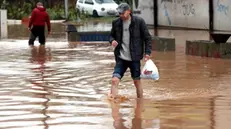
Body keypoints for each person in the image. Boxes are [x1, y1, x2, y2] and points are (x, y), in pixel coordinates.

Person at [109, 3, 152, 99]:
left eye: (123, 13)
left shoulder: (139, 22)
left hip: (135, 58)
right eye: (119, 13)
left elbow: (147, 38)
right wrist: (112, 41)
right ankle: (114, 107)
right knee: (114, 80)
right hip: (121, 57)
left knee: (137, 81)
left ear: (129, 11)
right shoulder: (116, 23)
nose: (121, 15)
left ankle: (140, 103)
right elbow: (111, 35)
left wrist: (147, 53)